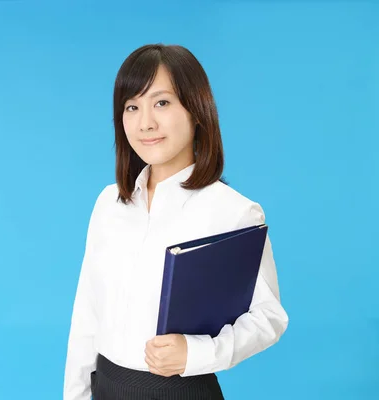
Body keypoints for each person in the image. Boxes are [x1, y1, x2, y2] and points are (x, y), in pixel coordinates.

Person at [62, 43, 289, 400]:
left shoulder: (232, 212)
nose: (145, 122)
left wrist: (197, 353)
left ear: (196, 110)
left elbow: (268, 316)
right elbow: (87, 314)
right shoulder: (110, 203)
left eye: (162, 103)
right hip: (105, 387)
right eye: (132, 107)